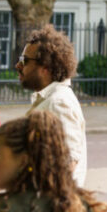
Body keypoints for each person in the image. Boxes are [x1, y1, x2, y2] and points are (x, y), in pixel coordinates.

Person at [17, 24, 86, 186]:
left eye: (25, 61)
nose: (18, 66)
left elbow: (67, 163)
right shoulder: (48, 99)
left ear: (45, 68)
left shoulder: (59, 102)